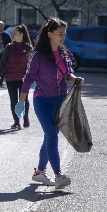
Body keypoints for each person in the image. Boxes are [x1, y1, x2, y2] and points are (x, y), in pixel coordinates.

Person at [16, 18, 84, 189]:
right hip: (42, 101)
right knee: (52, 135)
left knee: (49, 136)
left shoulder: (65, 54)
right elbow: (28, 78)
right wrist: (21, 101)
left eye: (64, 34)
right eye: (60, 34)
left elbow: (68, 74)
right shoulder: (38, 56)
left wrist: (75, 79)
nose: (63, 37)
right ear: (49, 34)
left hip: (61, 101)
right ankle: (58, 175)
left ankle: (39, 172)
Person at [0, 24, 33, 130]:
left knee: (23, 99)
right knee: (13, 100)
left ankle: (25, 117)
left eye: (15, 33)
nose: (12, 35)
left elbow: (33, 64)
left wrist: (35, 77)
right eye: (12, 32)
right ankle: (16, 121)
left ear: (21, 34)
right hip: (11, 77)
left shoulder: (28, 48)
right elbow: (3, 63)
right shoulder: (9, 47)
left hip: (24, 79)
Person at [0, 21, 12, 87]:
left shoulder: (7, 36)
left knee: (2, 67)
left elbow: (10, 45)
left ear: (3, 26)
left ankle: (0, 81)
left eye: (1, 26)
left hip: (4, 54)